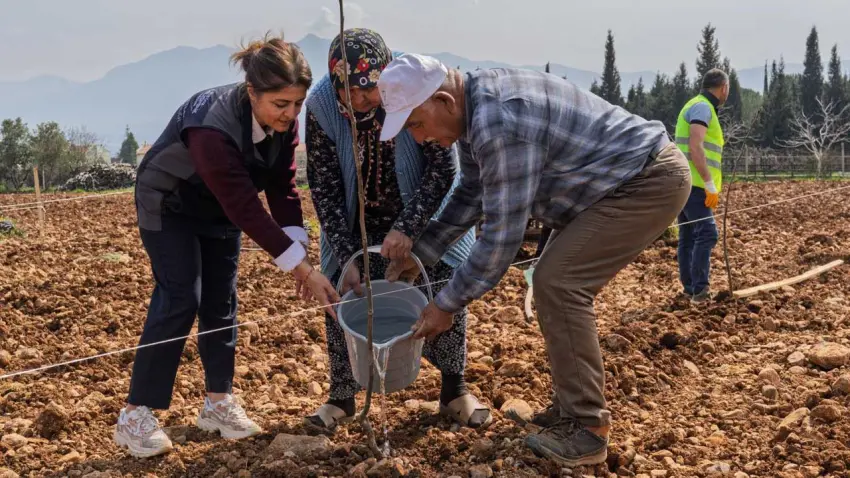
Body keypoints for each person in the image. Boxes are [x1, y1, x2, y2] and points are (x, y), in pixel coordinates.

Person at [378, 53, 691, 466]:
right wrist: (421, 255)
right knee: (553, 280)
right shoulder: (476, 110)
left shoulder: (499, 123)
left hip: (645, 181)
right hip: (608, 187)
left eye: (416, 123)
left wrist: (446, 305)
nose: (418, 139)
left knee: (558, 283)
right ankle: (570, 412)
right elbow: (472, 195)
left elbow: (501, 238)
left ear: (444, 101)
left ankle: (588, 430)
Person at [115, 33, 340, 458]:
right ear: (252, 92)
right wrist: (303, 271)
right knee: (181, 295)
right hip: (170, 203)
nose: (290, 114)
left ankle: (218, 404)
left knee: (221, 300)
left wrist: (299, 249)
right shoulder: (211, 126)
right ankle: (134, 415)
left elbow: (282, 186)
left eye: (297, 104)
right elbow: (243, 205)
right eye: (280, 105)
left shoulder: (283, 123)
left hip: (218, 207)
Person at [302, 28, 490, 433]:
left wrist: (408, 228)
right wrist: (346, 249)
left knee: (441, 282)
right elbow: (324, 185)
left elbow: (445, 169)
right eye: (351, 93)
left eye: (369, 93)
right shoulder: (321, 105)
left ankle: (453, 390)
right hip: (355, 218)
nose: (362, 101)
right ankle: (341, 397)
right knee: (343, 290)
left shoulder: (407, 85)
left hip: (423, 210)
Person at [675, 68, 729, 303]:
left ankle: (690, 289)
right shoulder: (703, 108)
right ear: (723, 88)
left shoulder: (693, 104)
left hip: (684, 182)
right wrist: (709, 183)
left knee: (688, 234)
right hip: (695, 184)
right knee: (707, 233)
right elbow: (696, 147)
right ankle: (699, 291)